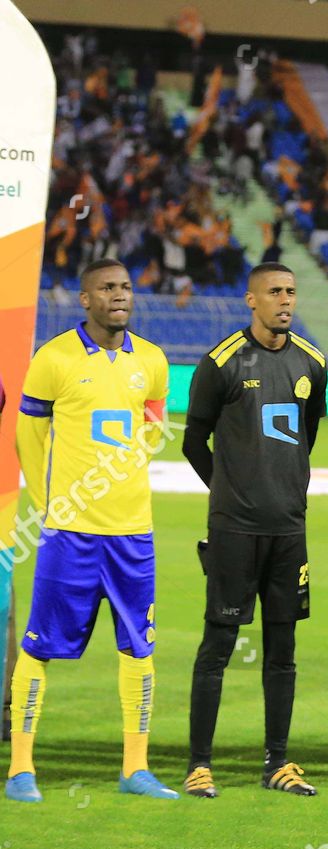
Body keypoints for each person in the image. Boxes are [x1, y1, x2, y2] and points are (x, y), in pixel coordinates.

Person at [6, 259, 175, 804]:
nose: (119, 295)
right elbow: (28, 437)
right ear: (85, 299)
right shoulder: (52, 358)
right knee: (39, 646)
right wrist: (48, 501)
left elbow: (154, 428)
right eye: (107, 288)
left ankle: (135, 768)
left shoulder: (151, 360)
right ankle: (21, 769)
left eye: (125, 286)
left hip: (133, 533)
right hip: (70, 532)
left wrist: (122, 481)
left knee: (139, 648)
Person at [180, 262, 328, 799]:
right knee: (218, 644)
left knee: (282, 649)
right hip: (235, 531)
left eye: (291, 291)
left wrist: (280, 490)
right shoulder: (220, 363)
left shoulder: (313, 363)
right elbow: (193, 442)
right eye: (274, 292)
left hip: (289, 530)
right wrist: (230, 493)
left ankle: (278, 763)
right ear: (251, 300)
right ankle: (199, 764)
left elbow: (306, 438)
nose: (285, 300)